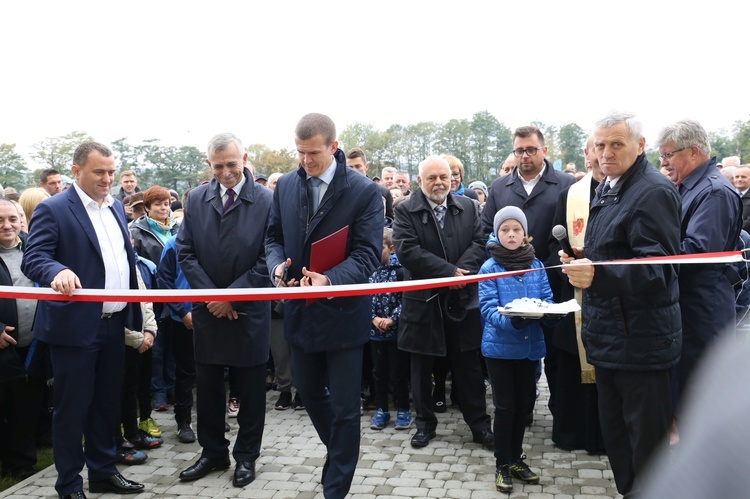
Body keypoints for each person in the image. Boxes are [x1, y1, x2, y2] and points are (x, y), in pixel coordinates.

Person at [560, 112, 681, 497]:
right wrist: (583, 257)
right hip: (610, 339)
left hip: (641, 345)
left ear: (640, 145)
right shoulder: (608, 185)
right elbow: (616, 250)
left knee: (647, 453)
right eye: (600, 145)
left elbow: (659, 271)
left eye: (616, 144)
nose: (606, 153)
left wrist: (597, 275)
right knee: (618, 443)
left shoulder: (652, 190)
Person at [265, 113, 383, 499]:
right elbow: (273, 238)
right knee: (310, 392)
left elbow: (367, 254)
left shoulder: (364, 191)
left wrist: (329, 278)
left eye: (313, 153)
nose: (306, 161)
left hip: (344, 313)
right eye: (299, 153)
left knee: (347, 408)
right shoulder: (285, 186)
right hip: (300, 311)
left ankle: (336, 487)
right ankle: (340, 453)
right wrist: (276, 266)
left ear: (334, 147)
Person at [21, 141, 145, 497]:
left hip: (113, 323)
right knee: (72, 409)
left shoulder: (117, 208)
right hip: (74, 327)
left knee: (107, 404)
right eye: (99, 172)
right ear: (76, 171)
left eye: (111, 171)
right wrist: (57, 270)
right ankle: (69, 484)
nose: (108, 179)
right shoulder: (55, 209)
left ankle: (103, 472)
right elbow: (35, 257)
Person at [176, 133, 273, 488]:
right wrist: (213, 297)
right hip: (208, 311)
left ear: (244, 158)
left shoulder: (266, 200)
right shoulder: (197, 198)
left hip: (248, 311)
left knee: (250, 390)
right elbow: (185, 252)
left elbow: (270, 256)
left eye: (232, 164)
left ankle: (246, 457)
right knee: (210, 387)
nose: (227, 172)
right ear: (208, 165)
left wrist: (233, 296)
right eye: (218, 166)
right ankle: (213, 452)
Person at [392, 155, 494, 450]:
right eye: (432, 178)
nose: (439, 183)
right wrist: (448, 272)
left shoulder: (469, 206)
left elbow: (480, 242)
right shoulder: (405, 210)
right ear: (419, 181)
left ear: (453, 178)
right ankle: (424, 425)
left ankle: (479, 426)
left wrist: (460, 273)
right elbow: (407, 250)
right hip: (423, 303)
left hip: (462, 301)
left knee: (469, 369)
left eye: (444, 177)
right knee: (421, 369)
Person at [654, 119, 741, 444]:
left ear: (693, 151)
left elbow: (697, 253)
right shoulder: (691, 187)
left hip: (702, 311)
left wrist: (648, 256)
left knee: (697, 401)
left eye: (667, 156)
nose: (663, 163)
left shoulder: (714, 192)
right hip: (688, 306)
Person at [482, 125, 575, 423]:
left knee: (555, 352)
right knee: (521, 347)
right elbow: (487, 232)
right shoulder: (499, 187)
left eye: (531, 149)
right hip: (509, 283)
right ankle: (522, 410)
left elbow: (570, 232)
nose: (525, 155)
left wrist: (544, 265)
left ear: (544, 150)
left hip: (553, 279)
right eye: (519, 150)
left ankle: (561, 412)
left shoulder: (565, 184)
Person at [479, 206, 556, 492]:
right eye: (505, 230)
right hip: (500, 350)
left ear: (525, 234)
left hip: (530, 348)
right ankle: (502, 463)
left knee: (523, 406)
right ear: (497, 234)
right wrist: (516, 322)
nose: (511, 235)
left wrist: (550, 314)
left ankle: (516, 459)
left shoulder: (535, 264)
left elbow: (546, 297)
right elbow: (488, 310)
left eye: (516, 230)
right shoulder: (490, 267)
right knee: (505, 407)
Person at [546, 136, 605, 453]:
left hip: (613, 297)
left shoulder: (629, 191)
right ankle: (572, 434)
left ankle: (604, 438)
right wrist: (562, 255)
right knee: (571, 364)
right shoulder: (571, 195)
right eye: (594, 148)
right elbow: (555, 238)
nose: (599, 154)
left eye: (606, 147)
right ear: (585, 154)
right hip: (576, 295)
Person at [0, 198, 48, 481]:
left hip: (34, 343)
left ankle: (21, 463)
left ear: (21, 221)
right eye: (0, 220)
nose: (7, 226)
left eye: (12, 219)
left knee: (27, 405)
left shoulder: (34, 248)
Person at [130, 185, 179, 414]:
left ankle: (173, 388)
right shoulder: (136, 231)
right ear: (147, 208)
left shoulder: (178, 228)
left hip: (176, 294)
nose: (163, 208)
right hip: (151, 296)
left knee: (174, 346)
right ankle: (158, 392)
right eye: (158, 204)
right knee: (157, 348)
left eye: (167, 203)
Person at [157, 190, 198, 444]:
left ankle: (209, 417)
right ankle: (183, 422)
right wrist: (182, 311)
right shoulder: (173, 244)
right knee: (185, 373)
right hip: (182, 320)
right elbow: (164, 282)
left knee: (211, 373)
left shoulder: (212, 241)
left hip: (212, 315)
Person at [368, 227, 411, 431]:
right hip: (375, 334)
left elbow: (405, 300)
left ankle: (403, 408)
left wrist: (392, 320)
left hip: (396, 333)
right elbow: (363, 297)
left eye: (380, 248)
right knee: (379, 372)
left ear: (391, 248)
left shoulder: (400, 271)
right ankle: (381, 409)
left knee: (399, 372)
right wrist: (374, 318)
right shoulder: (369, 270)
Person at [346, 148, 394, 219]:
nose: (354, 170)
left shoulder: (383, 192)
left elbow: (390, 220)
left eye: (358, 166)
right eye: (350, 167)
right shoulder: (341, 191)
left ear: (366, 166)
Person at [732, 165, 750, 231]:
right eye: (737, 177)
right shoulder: (728, 194)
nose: (739, 179)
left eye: (743, 177)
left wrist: (732, 229)